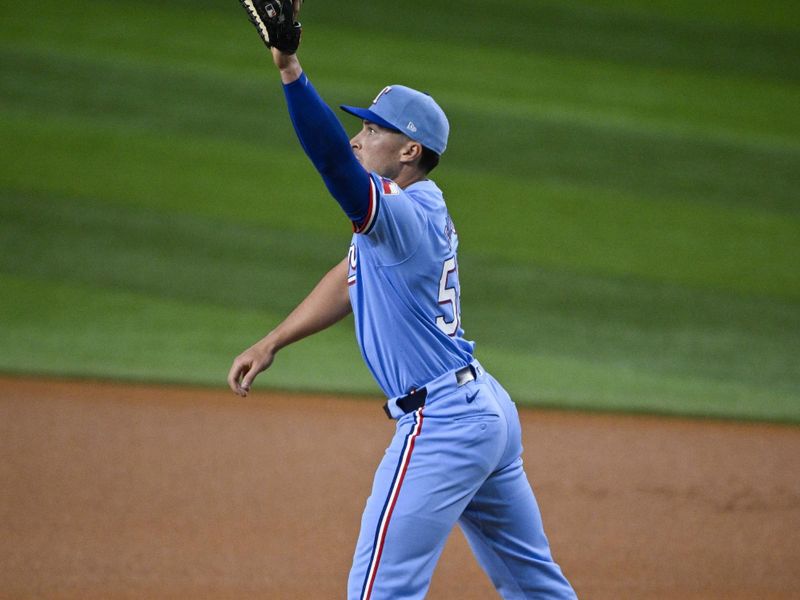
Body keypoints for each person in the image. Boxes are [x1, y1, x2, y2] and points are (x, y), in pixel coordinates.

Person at [227, 12, 578, 600]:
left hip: (442, 422)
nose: (358, 138)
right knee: (535, 588)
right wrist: (272, 342)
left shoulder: (402, 215)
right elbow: (350, 276)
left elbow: (334, 165)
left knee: (378, 592)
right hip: (484, 409)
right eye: (359, 127)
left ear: (409, 149)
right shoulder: (412, 212)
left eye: (372, 129)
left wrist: (289, 69)